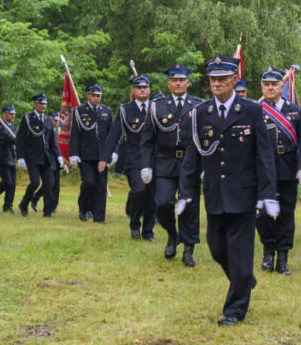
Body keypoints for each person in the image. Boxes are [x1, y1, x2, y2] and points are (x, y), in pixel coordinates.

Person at [180, 55, 277, 325]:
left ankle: (234, 310)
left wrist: (268, 193)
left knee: (239, 253)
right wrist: (185, 191)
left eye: (222, 78)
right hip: (214, 194)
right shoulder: (201, 113)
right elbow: (192, 156)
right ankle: (244, 279)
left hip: (243, 194)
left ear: (234, 80)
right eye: (213, 79)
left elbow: (264, 155)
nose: (217, 83)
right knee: (216, 248)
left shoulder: (251, 110)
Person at [256, 67, 301, 275]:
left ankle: (282, 258)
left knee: (286, 214)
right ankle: (268, 250)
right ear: (262, 87)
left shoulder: (295, 111)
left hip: (287, 167)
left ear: (282, 86)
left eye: (274, 84)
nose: (270, 88)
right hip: (263, 169)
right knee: (263, 215)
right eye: (266, 84)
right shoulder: (255, 110)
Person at [149, 64, 204, 266]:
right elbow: (148, 138)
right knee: (163, 203)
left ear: (188, 83)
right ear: (168, 84)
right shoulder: (157, 106)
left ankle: (189, 249)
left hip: (191, 162)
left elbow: (206, 137)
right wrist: (146, 165)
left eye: (182, 80)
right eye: (174, 80)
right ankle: (173, 234)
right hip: (165, 162)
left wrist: (206, 165)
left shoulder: (199, 105)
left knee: (190, 207)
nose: (178, 83)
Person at [104, 74, 157, 241]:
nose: (142, 90)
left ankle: (148, 231)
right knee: (139, 191)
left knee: (152, 196)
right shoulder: (125, 109)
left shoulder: (157, 107)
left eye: (145, 87)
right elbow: (114, 134)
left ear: (149, 89)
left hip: (154, 158)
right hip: (134, 158)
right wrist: (105, 157)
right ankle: (135, 224)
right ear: (133, 90)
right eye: (139, 87)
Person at [68, 83, 113, 224]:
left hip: (102, 156)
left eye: (98, 96)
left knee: (101, 185)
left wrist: (112, 153)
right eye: (93, 95)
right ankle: (84, 208)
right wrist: (73, 154)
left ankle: (99, 217)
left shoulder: (106, 111)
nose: (96, 98)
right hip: (85, 155)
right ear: (88, 96)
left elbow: (111, 135)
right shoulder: (79, 111)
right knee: (89, 182)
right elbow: (74, 134)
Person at [16, 95, 66, 216]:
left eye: (45, 104)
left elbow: (52, 142)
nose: (43, 106)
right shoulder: (28, 118)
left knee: (49, 184)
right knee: (35, 183)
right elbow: (20, 139)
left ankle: (47, 212)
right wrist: (20, 157)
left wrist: (59, 156)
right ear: (35, 104)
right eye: (41, 103)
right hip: (32, 156)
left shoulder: (48, 120)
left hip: (46, 157)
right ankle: (24, 204)